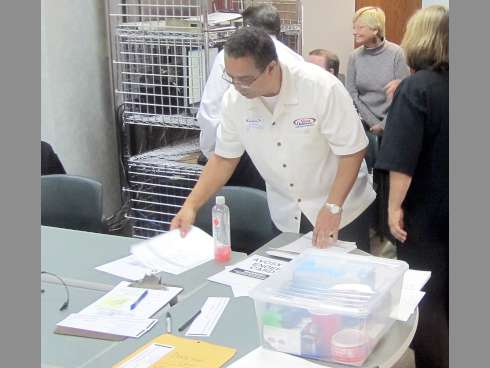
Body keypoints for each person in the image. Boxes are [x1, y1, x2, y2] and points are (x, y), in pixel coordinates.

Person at [172, 27, 376, 250]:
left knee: (346, 280)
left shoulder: (320, 87)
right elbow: (223, 159)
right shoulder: (234, 100)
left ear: (271, 67)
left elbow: (352, 151)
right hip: (286, 212)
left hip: (341, 208)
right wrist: (191, 205)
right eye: (231, 78)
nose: (238, 86)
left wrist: (333, 206)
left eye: (246, 79)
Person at [375, 5, 449, 367]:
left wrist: (393, 208)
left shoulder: (416, 89)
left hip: (429, 214)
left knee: (428, 295)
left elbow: (401, 156)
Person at [197, 4, 303, 190]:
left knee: (241, 212)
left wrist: (210, 152)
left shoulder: (230, 57)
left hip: (241, 152)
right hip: (285, 156)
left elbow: (211, 110)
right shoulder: (295, 59)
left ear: (246, 29)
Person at [346, 6, 410, 135]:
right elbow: (351, 93)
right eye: (354, 27)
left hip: (394, 123)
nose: (354, 32)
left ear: (375, 29)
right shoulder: (354, 57)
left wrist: (384, 124)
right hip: (364, 125)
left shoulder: (397, 53)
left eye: (360, 27)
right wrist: (373, 122)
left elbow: (404, 93)